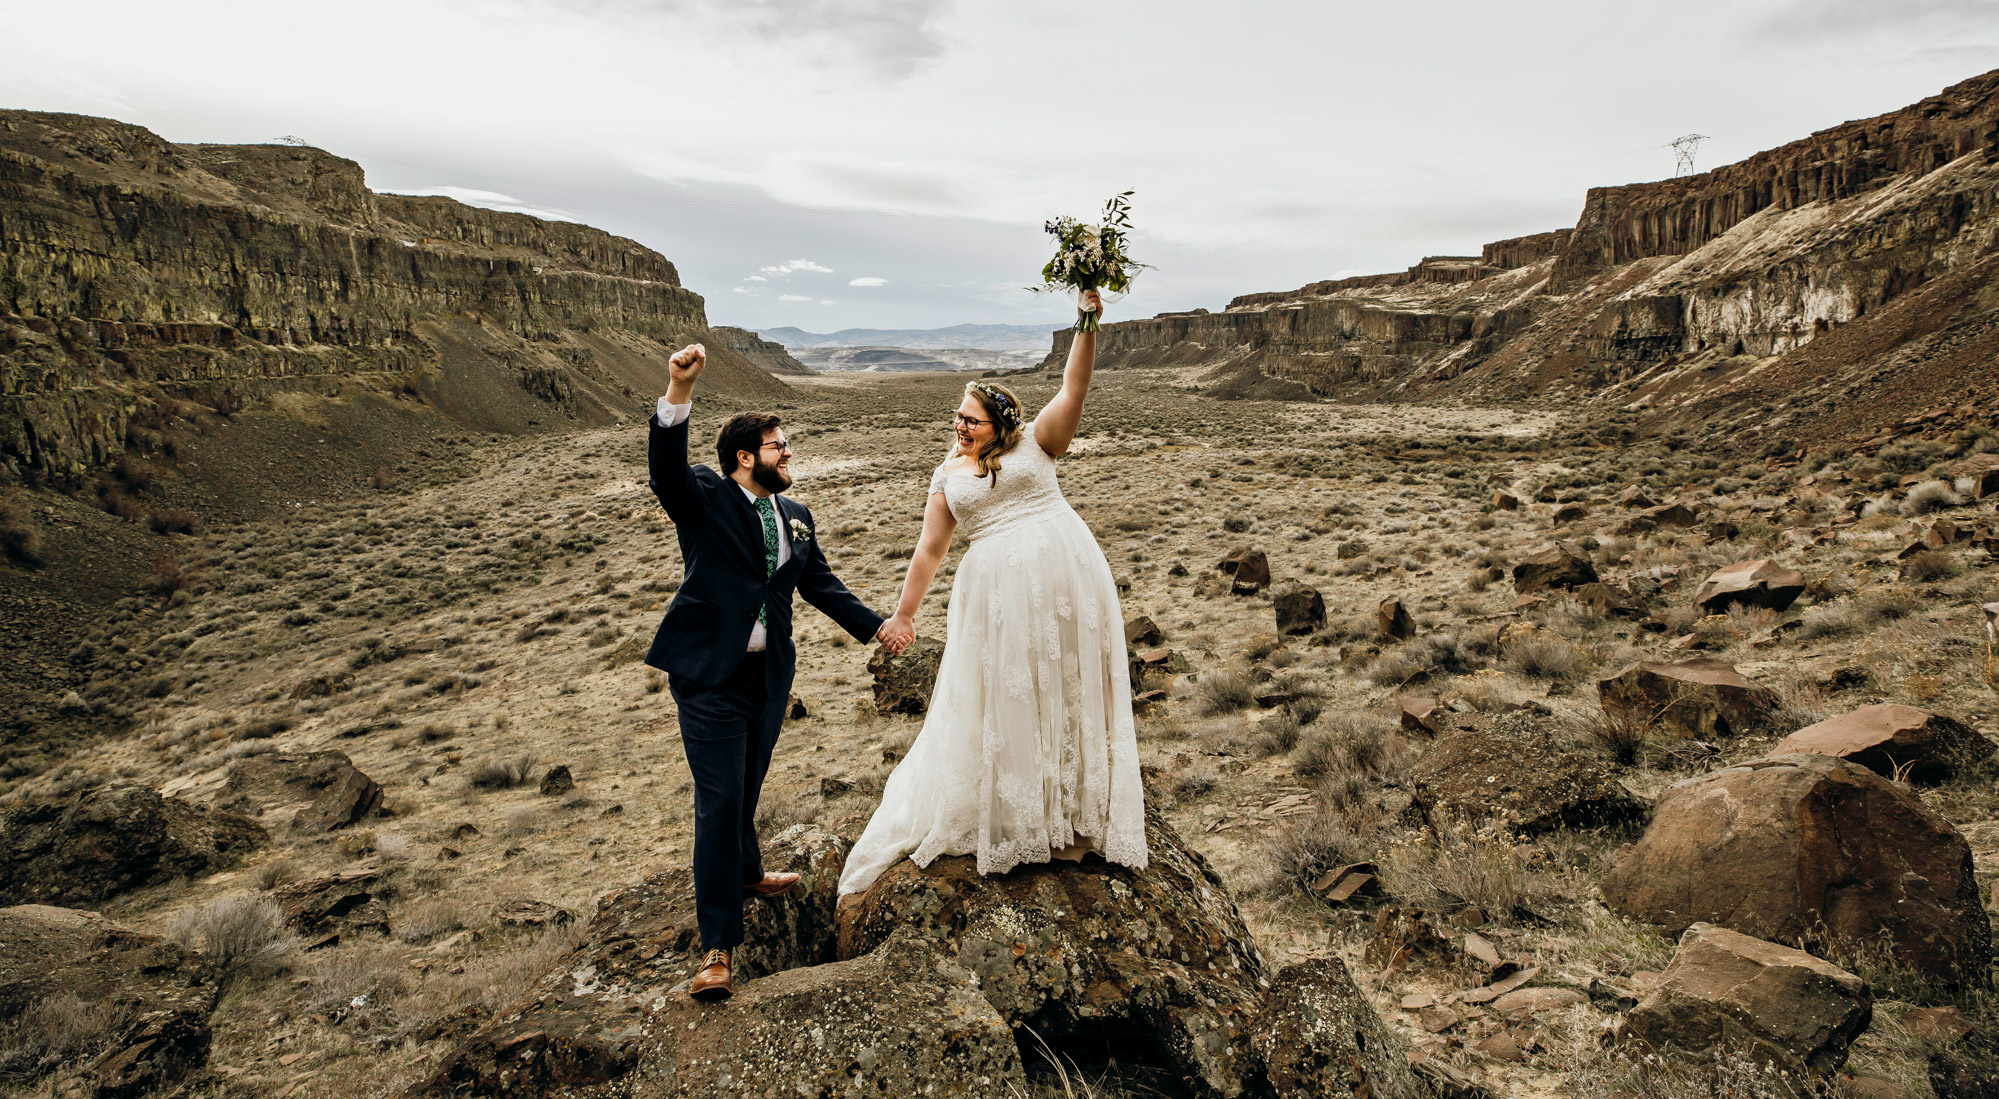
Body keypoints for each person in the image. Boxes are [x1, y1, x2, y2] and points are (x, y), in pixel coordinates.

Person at [840, 289, 1148, 896]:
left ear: (999, 426)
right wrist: (903, 615)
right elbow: (930, 549)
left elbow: (1074, 387)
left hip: (1067, 575)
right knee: (1008, 690)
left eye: (971, 421)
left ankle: (1077, 819)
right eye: (957, 416)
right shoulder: (948, 473)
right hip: (996, 596)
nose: (959, 427)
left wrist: (1085, 323)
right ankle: (1019, 815)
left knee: (1067, 683)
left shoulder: (1038, 442)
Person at [644, 342, 890, 1001]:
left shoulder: (797, 518)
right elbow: (664, 469)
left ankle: (747, 870)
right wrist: (678, 390)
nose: (789, 454)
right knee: (719, 799)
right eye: (779, 446)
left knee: (745, 783)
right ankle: (718, 946)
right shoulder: (702, 495)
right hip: (706, 673)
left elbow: (822, 586)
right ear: (745, 456)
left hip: (766, 675)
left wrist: (879, 627)